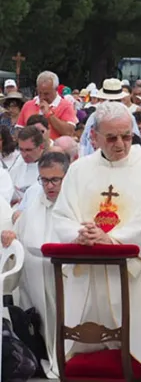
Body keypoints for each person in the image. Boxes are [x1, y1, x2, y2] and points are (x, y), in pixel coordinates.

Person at [52, 102, 141, 381]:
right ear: (94, 137)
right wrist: (80, 233)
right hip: (88, 272)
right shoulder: (79, 170)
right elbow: (62, 215)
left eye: (126, 136)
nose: (120, 144)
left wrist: (111, 239)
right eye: (111, 137)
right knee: (86, 358)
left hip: (135, 272)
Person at [1, 151, 70, 378]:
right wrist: (12, 236)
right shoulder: (35, 203)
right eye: (44, 180)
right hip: (35, 282)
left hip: (65, 281)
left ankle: (66, 359)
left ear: (67, 177)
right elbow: (19, 233)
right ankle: (42, 357)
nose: (49, 186)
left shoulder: (73, 203)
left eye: (55, 180)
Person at [16, 71, 77, 139]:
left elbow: (69, 132)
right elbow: (19, 129)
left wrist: (49, 114)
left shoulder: (66, 106)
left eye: (46, 94)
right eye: (39, 93)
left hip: (55, 148)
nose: (42, 97)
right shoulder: (28, 105)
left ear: (56, 89)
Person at [9, 126, 46, 205]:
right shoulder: (18, 161)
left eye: (28, 150)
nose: (24, 155)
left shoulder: (50, 165)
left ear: (41, 147)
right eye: (21, 149)